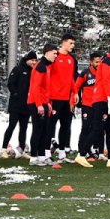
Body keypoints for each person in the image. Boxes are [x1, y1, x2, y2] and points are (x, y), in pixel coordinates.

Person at [75, 42, 110, 168]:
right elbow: (107, 82)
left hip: (104, 98)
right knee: (97, 129)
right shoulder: (108, 62)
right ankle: (81, 155)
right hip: (102, 100)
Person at [46, 34, 78, 162]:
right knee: (50, 125)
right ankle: (46, 152)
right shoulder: (55, 57)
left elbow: (71, 78)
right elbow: (48, 76)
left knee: (66, 125)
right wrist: (47, 97)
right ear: (63, 43)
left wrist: (75, 92)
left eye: (73, 43)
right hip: (54, 97)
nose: (72, 46)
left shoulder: (71, 59)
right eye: (70, 43)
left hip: (66, 98)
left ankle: (62, 152)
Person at [1, 50, 37, 159]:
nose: (34, 62)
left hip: (27, 106)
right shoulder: (18, 69)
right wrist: (17, 94)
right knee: (12, 126)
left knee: (24, 128)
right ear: (27, 60)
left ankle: (22, 149)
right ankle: (3, 148)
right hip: (15, 106)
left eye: (35, 60)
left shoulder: (34, 71)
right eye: (32, 60)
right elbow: (10, 84)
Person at [27, 44, 58, 166]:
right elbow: (35, 87)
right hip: (35, 102)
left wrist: (48, 103)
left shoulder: (47, 66)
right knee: (37, 130)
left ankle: (41, 156)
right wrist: (39, 104)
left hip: (42, 102)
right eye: (54, 53)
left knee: (44, 131)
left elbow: (45, 88)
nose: (56, 56)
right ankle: (33, 158)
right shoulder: (41, 66)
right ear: (47, 52)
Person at [74, 52, 101, 160]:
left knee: (94, 130)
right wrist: (75, 101)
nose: (98, 64)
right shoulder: (85, 73)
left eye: (100, 61)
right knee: (85, 128)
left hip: (98, 105)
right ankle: (81, 151)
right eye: (96, 62)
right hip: (87, 105)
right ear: (91, 62)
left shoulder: (102, 73)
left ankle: (89, 150)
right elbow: (76, 87)